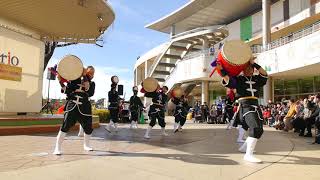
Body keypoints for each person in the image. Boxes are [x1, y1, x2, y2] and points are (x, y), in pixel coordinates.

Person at [217, 57, 268, 163]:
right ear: (243, 69)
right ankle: (248, 155)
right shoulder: (239, 79)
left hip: (255, 106)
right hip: (245, 106)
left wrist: (254, 64)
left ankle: (244, 148)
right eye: (247, 68)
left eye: (251, 68)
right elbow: (227, 79)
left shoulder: (256, 79)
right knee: (255, 128)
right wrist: (221, 69)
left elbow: (264, 73)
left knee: (260, 130)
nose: (250, 69)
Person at [53, 66, 95, 155]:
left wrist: (85, 77)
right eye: (90, 72)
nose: (91, 75)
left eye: (93, 73)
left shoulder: (92, 83)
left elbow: (89, 90)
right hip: (72, 105)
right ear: (85, 71)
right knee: (65, 125)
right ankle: (57, 147)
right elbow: (66, 90)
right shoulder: (74, 80)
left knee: (88, 127)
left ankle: (86, 145)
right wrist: (60, 81)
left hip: (85, 107)